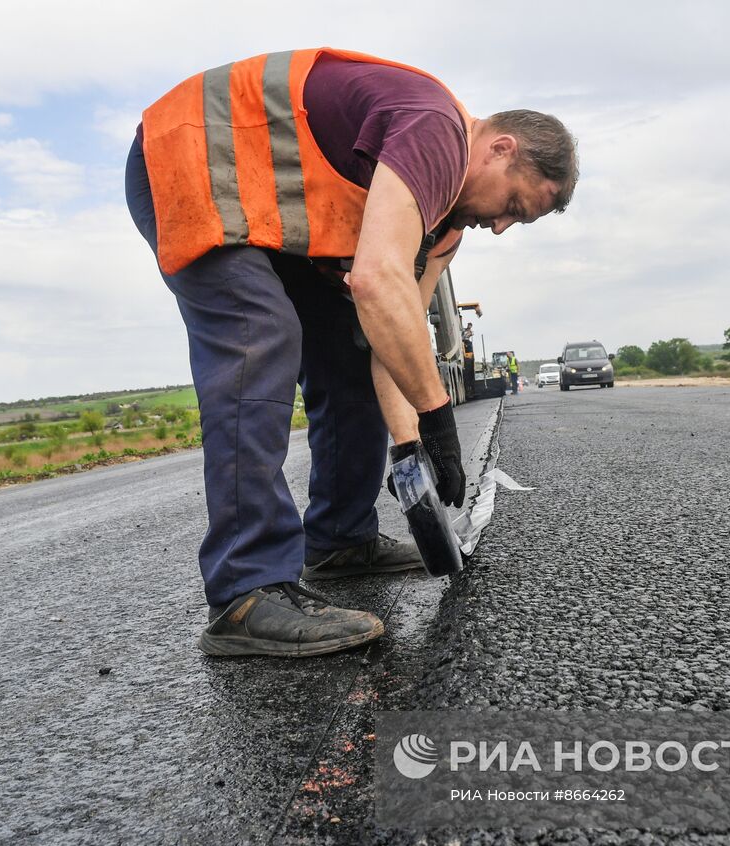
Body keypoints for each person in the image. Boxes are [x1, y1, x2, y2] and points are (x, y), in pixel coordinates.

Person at [126, 48, 577, 658]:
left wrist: (413, 445)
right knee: (259, 333)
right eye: (515, 206)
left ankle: (341, 539)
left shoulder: (442, 228)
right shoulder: (435, 127)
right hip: (194, 157)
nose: (500, 228)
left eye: (517, 224)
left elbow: (390, 334)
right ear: (500, 148)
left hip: (269, 215)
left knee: (346, 342)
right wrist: (438, 413)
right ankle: (245, 592)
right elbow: (375, 281)